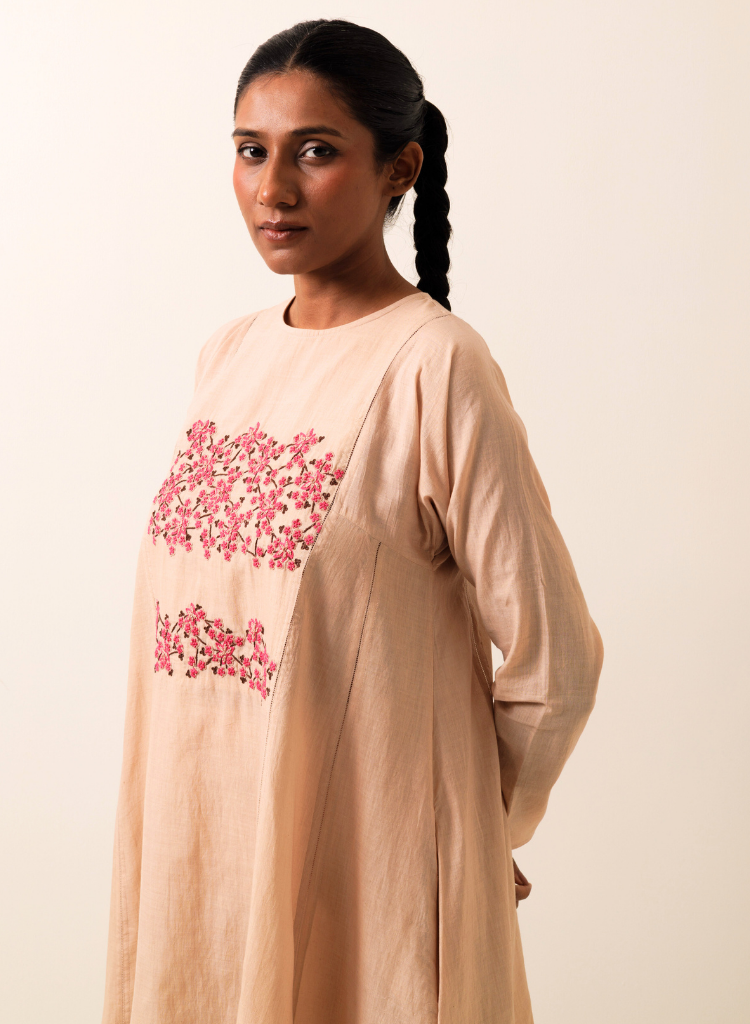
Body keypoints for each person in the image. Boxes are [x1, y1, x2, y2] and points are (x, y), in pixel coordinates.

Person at [101, 19, 603, 1024]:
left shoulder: (436, 366)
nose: (273, 189)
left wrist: (478, 828)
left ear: (398, 169)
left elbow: (556, 659)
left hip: (366, 878)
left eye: (316, 151)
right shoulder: (228, 354)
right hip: (201, 860)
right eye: (251, 151)